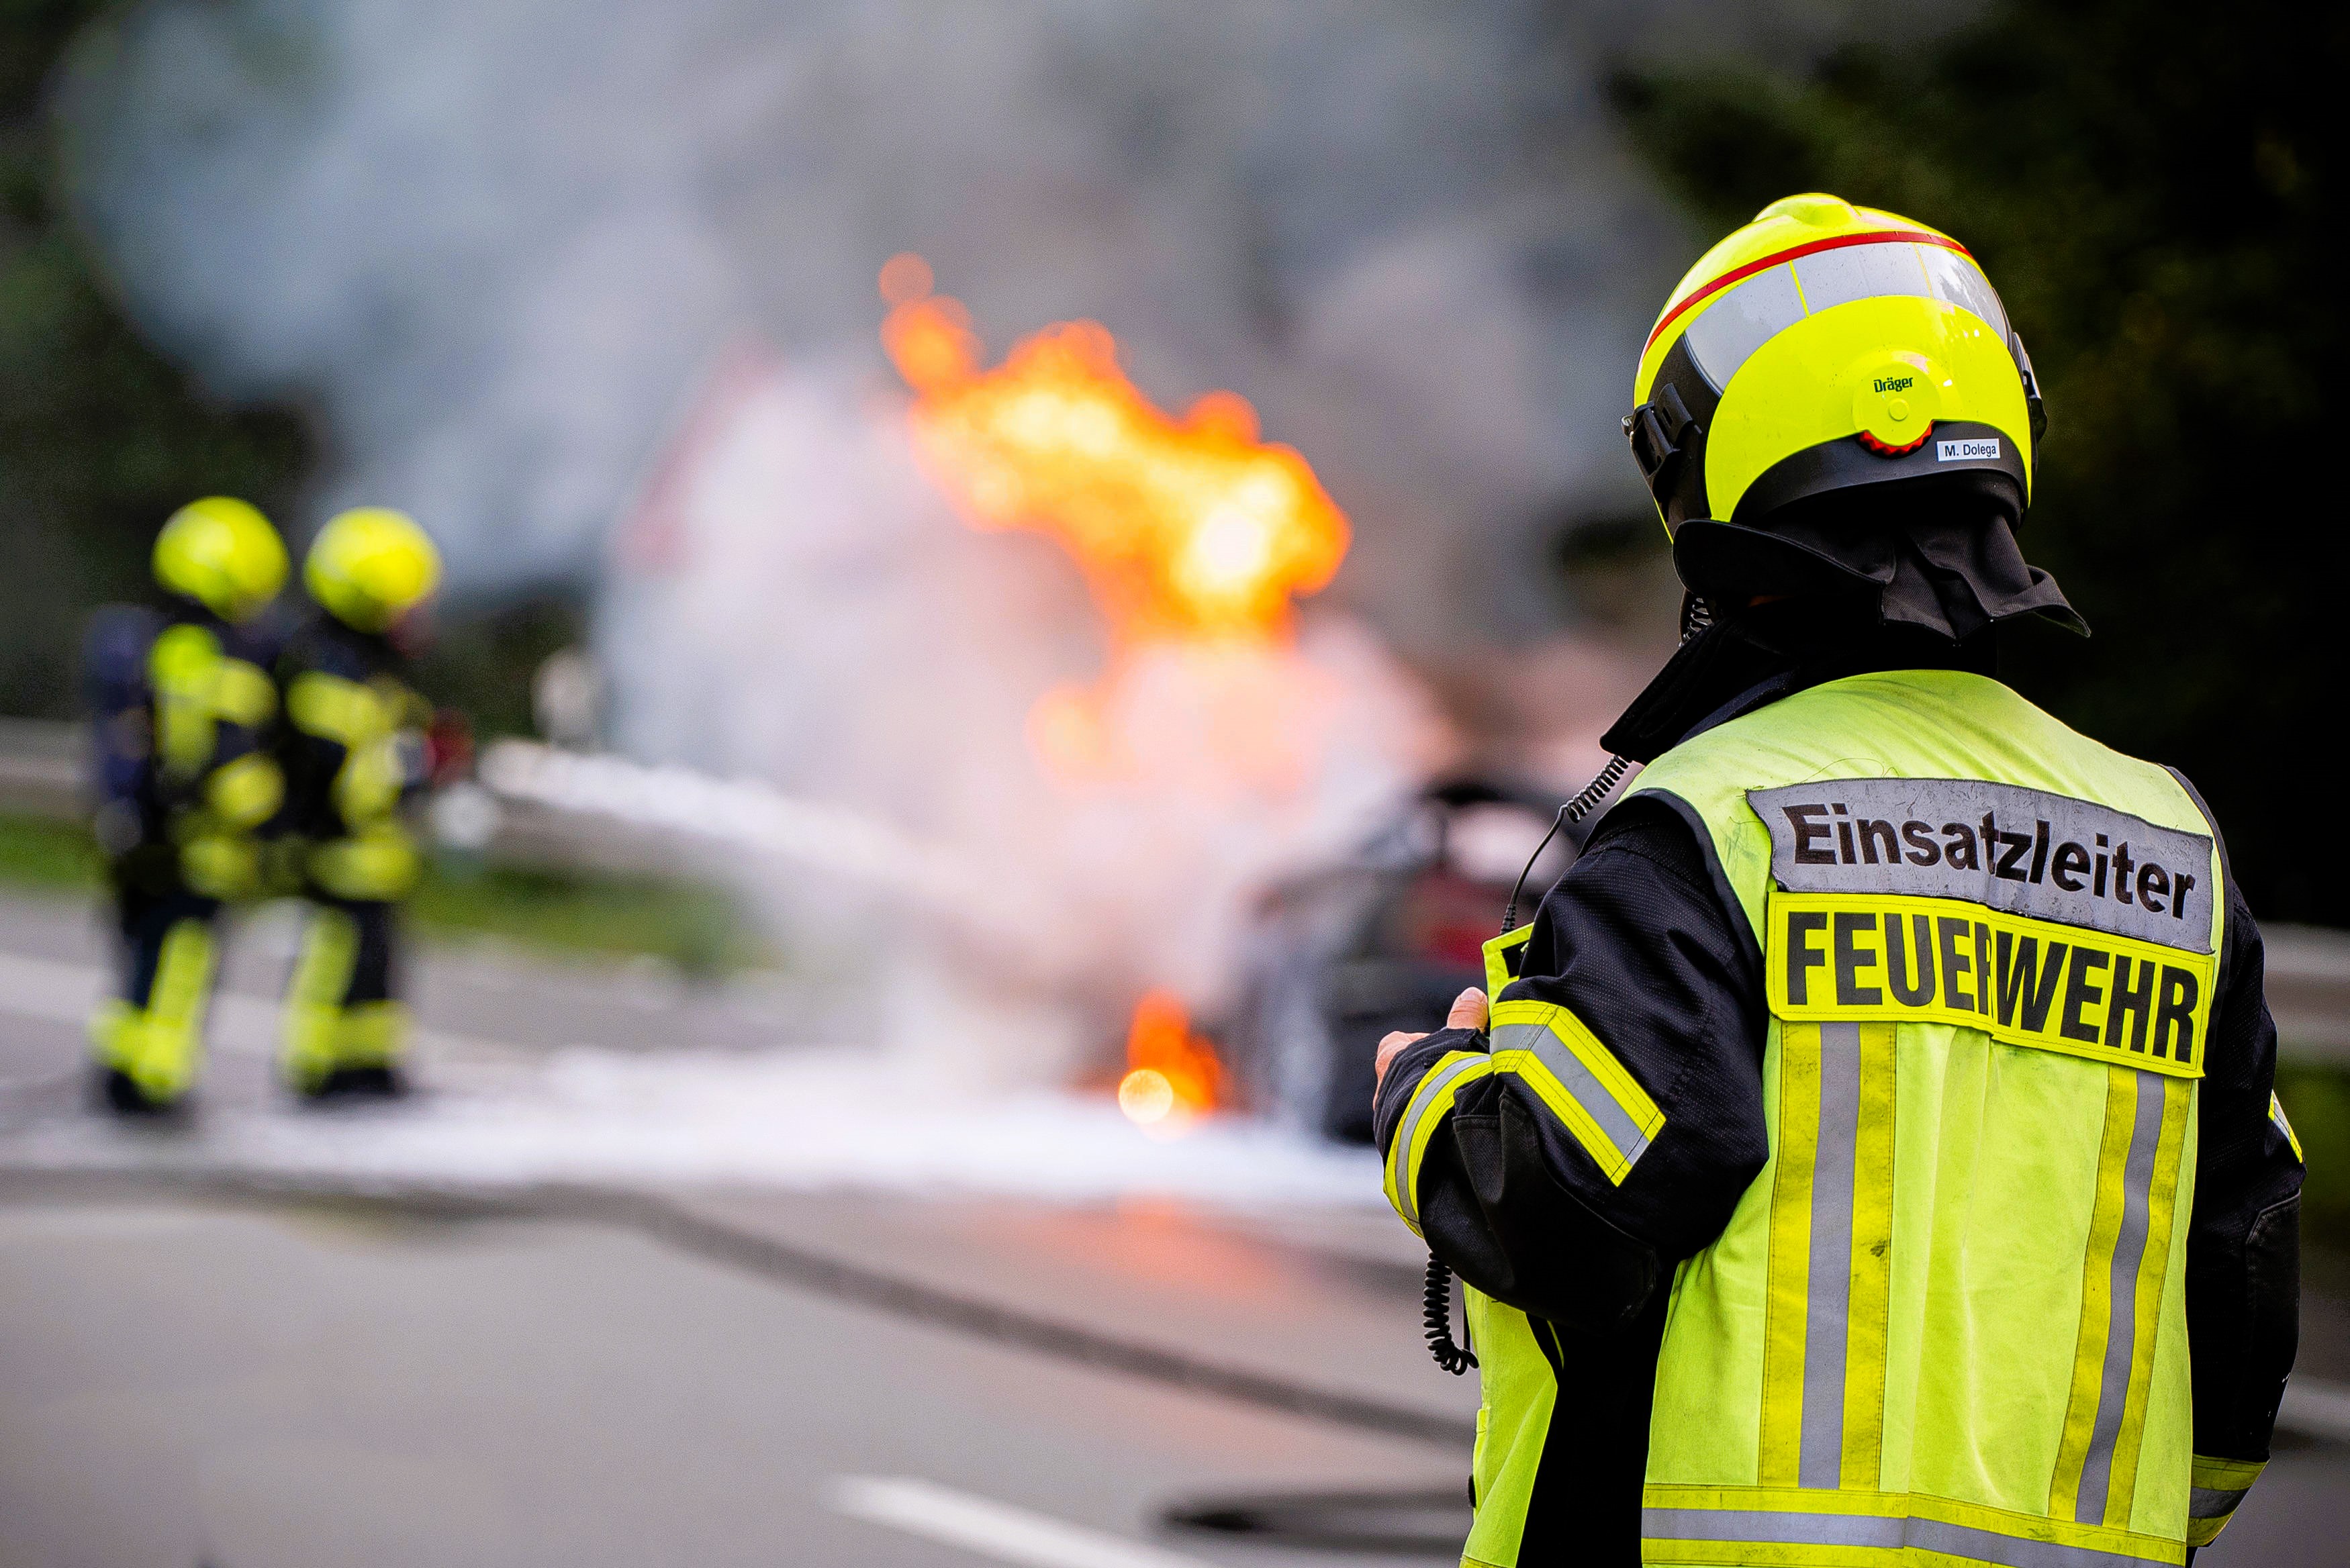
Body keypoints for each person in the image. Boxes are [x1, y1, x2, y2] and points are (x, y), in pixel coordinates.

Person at [1372, 195, 2302, 1567]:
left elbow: (1571, 1206)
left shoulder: (1707, 824)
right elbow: (2241, 1280)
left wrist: (1423, 1094)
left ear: (1704, 474)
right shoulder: (2167, 842)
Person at [85, 497, 290, 1112]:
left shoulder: (160, 648)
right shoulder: (219, 664)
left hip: (149, 844)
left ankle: (126, 1072)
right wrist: (278, 813)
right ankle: (153, 1086)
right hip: (195, 852)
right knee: (178, 969)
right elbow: (219, 769)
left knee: (143, 967)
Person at [270, 507, 441, 1097]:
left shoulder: (365, 674)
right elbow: (340, 780)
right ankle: (318, 1072)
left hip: (372, 864)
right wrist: (414, 766)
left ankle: (370, 1071)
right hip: (337, 860)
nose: (415, 618)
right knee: (331, 967)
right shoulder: (330, 676)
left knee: (374, 977)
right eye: (404, 603)